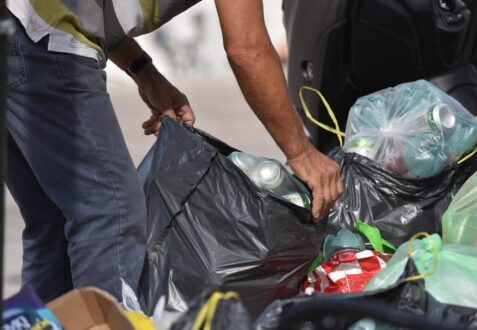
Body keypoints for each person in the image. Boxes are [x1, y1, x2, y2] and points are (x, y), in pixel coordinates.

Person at [5, 0, 343, 302]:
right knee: (111, 213)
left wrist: (144, 72)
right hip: (42, 38)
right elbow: (247, 48)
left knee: (52, 221)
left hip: (18, 30)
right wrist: (301, 154)